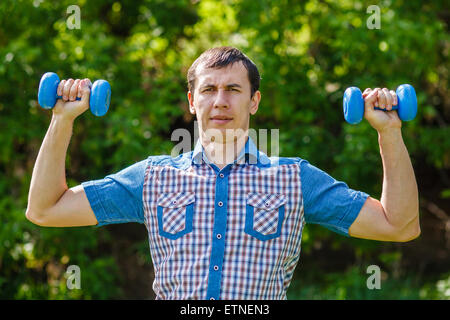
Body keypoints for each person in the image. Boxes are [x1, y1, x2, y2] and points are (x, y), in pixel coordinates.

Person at [26, 46, 420, 300]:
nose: (220, 101)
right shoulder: (153, 178)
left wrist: (389, 131)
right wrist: (62, 119)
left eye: (233, 89)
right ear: (191, 103)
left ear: (254, 101)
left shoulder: (294, 179)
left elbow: (399, 226)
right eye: (209, 90)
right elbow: (45, 209)